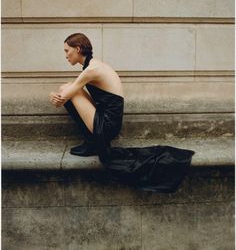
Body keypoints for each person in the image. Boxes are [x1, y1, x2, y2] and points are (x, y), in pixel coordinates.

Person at [49, 33, 195, 193]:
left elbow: (63, 98)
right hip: (107, 119)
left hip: (107, 126)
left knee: (66, 89)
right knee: (68, 86)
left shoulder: (91, 69)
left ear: (77, 49)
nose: (65, 56)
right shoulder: (93, 65)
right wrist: (62, 95)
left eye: (66, 51)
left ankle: (93, 143)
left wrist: (55, 97)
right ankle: (92, 143)